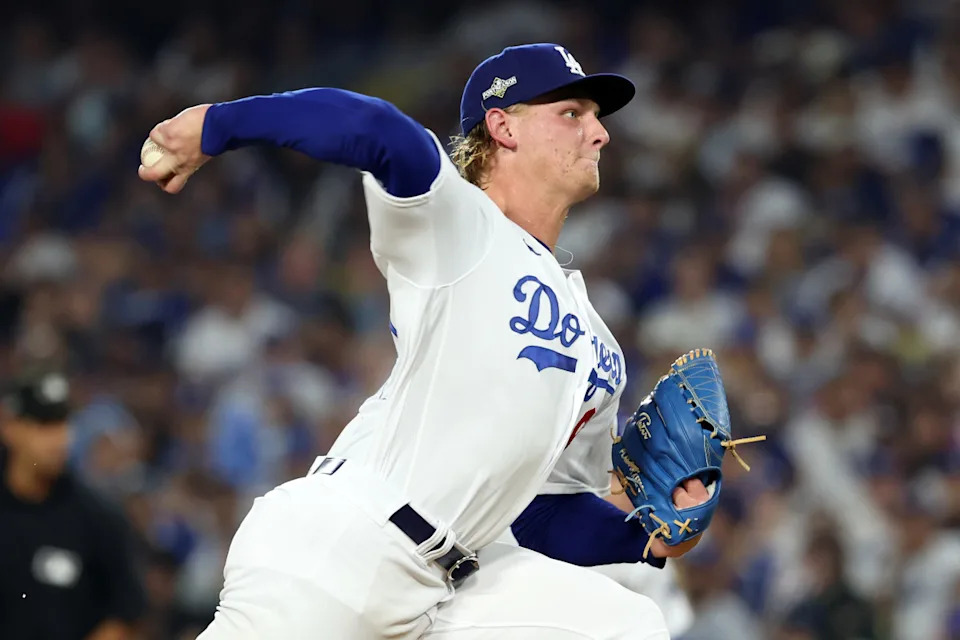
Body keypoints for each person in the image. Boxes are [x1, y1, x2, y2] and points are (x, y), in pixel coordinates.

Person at [140, 42, 707, 639]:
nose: (600, 134)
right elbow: (375, 128)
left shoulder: (597, 343)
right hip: (345, 545)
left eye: (596, 118)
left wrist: (649, 535)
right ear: (502, 126)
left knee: (628, 624)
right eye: (573, 113)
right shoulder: (458, 224)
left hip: (444, 587)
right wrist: (217, 124)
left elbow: (542, 512)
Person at [0, 369, 148, 640]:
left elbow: (127, 613)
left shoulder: (98, 517)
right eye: (43, 424)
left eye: (63, 423)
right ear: (9, 426)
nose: (58, 439)